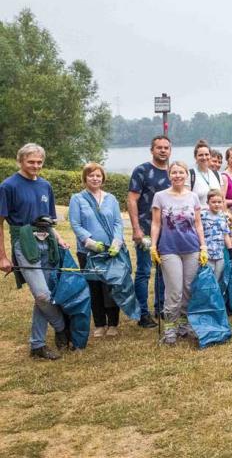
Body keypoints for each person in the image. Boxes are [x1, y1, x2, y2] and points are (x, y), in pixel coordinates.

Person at [0, 144, 69, 359]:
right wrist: (2, 256)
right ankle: (61, 326)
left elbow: (48, 221)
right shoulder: (8, 186)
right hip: (24, 242)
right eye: (31, 162)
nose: (35, 166)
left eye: (39, 162)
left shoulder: (45, 185)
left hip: (47, 242)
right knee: (41, 294)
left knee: (44, 296)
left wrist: (59, 239)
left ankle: (37, 345)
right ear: (20, 161)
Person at [150, 161, 208, 345]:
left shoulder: (193, 197)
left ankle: (184, 326)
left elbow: (198, 224)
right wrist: (153, 245)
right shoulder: (160, 197)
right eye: (174, 172)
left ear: (186, 175)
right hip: (169, 249)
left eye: (181, 172)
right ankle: (170, 330)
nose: (177, 176)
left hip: (191, 248)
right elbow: (156, 223)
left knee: (188, 289)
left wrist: (203, 246)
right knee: (174, 291)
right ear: (169, 175)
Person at [69, 163, 125, 338]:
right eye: (91, 175)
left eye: (98, 176)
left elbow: (117, 222)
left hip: (110, 251)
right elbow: (75, 224)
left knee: (111, 286)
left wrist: (117, 241)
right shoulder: (77, 199)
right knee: (94, 287)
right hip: (88, 252)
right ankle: (99, 323)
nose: (95, 178)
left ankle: (113, 323)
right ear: (85, 178)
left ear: (103, 178)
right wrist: (89, 241)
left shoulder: (111, 199)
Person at [127, 135, 170, 329]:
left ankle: (160, 307)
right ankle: (142, 314)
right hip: (145, 229)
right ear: (152, 150)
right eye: (159, 147)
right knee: (144, 272)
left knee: (164, 271)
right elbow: (132, 200)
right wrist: (136, 228)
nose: (163, 150)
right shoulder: (142, 171)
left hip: (167, 231)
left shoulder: (173, 172)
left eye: (166, 147)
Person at [201, 189, 232, 283]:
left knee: (217, 279)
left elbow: (226, 234)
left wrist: (230, 249)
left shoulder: (223, 217)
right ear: (208, 202)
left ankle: (216, 297)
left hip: (219, 255)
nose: (217, 204)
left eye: (219, 202)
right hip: (207, 255)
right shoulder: (203, 215)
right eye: (213, 202)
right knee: (208, 279)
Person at [189, 140, 223, 207]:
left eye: (206, 154)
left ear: (210, 156)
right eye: (200, 155)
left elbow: (222, 200)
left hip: (216, 216)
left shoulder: (217, 175)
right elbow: (186, 201)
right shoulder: (190, 175)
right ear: (195, 157)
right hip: (199, 216)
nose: (204, 158)